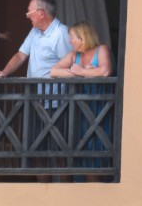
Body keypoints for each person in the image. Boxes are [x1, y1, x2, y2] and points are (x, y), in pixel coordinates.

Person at [49, 21, 114, 172]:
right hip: (80, 108)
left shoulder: (102, 49)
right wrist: (85, 72)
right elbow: (54, 72)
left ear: (83, 38)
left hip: (101, 107)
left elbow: (105, 72)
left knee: (99, 148)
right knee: (81, 146)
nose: (70, 41)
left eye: (72, 38)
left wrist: (80, 72)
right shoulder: (74, 55)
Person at [0, 0, 71, 82]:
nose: (27, 16)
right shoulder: (35, 31)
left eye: (30, 12)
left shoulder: (61, 33)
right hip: (33, 93)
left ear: (41, 14)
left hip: (54, 94)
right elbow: (20, 55)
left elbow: (71, 65)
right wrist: (4, 72)